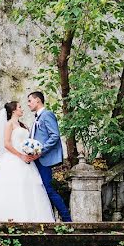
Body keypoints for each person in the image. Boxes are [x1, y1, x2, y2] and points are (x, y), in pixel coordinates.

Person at [26, 91, 73, 222]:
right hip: (36, 159)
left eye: (30, 101)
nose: (28, 104)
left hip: (43, 159)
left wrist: (40, 152)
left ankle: (67, 219)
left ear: (38, 101)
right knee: (38, 188)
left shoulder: (47, 115)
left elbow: (55, 136)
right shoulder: (37, 118)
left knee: (47, 189)